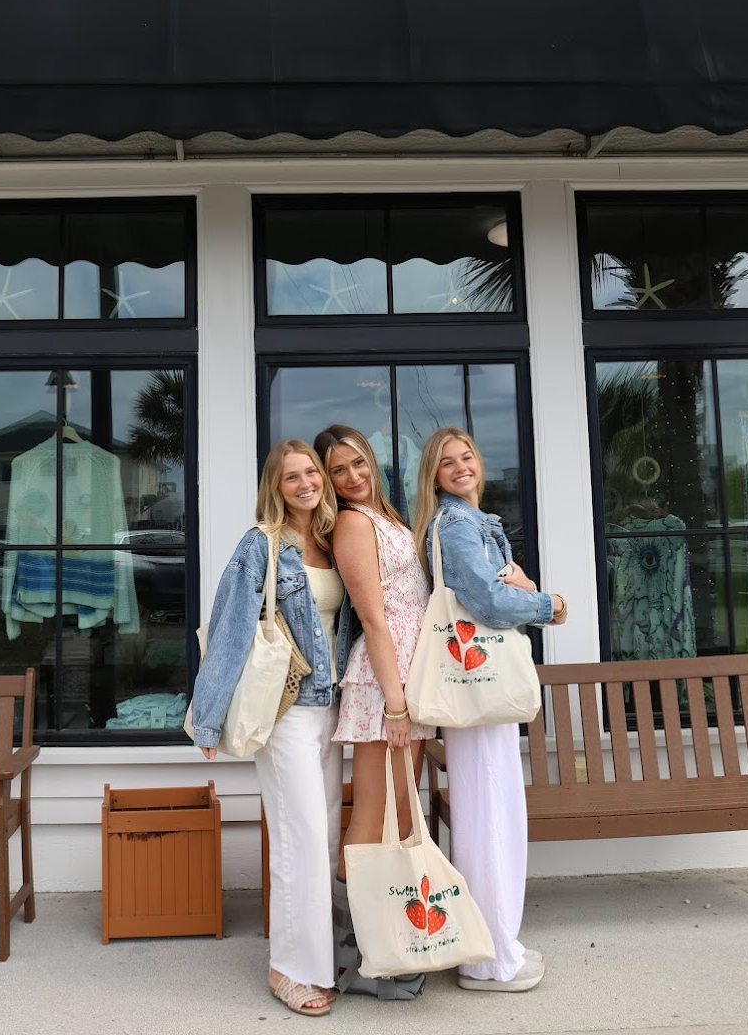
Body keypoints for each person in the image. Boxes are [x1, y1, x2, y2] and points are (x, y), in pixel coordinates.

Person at [189, 440, 348, 1018]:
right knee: (299, 837)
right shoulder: (261, 545)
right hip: (285, 713)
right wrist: (206, 718)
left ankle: (316, 956)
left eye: (312, 473)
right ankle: (290, 970)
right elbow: (230, 627)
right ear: (274, 487)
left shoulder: (332, 542)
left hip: (330, 707)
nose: (306, 483)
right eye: (292, 477)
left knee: (323, 840)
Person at [412, 426, 568, 993]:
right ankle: (489, 959)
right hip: (474, 687)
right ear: (433, 475)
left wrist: (518, 588)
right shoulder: (456, 524)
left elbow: (492, 590)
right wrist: (547, 604)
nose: (460, 467)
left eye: (467, 456)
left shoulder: (473, 523)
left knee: (494, 813)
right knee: (488, 819)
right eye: (446, 462)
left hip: (479, 686)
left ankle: (498, 944)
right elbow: (487, 599)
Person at [313, 424, 433, 1001]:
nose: (353, 476)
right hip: (384, 682)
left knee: (403, 817)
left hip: (408, 674)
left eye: (358, 463)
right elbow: (375, 618)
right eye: (338, 470)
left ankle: (385, 942)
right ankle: (350, 955)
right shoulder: (354, 524)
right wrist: (396, 704)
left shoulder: (384, 515)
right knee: (372, 817)